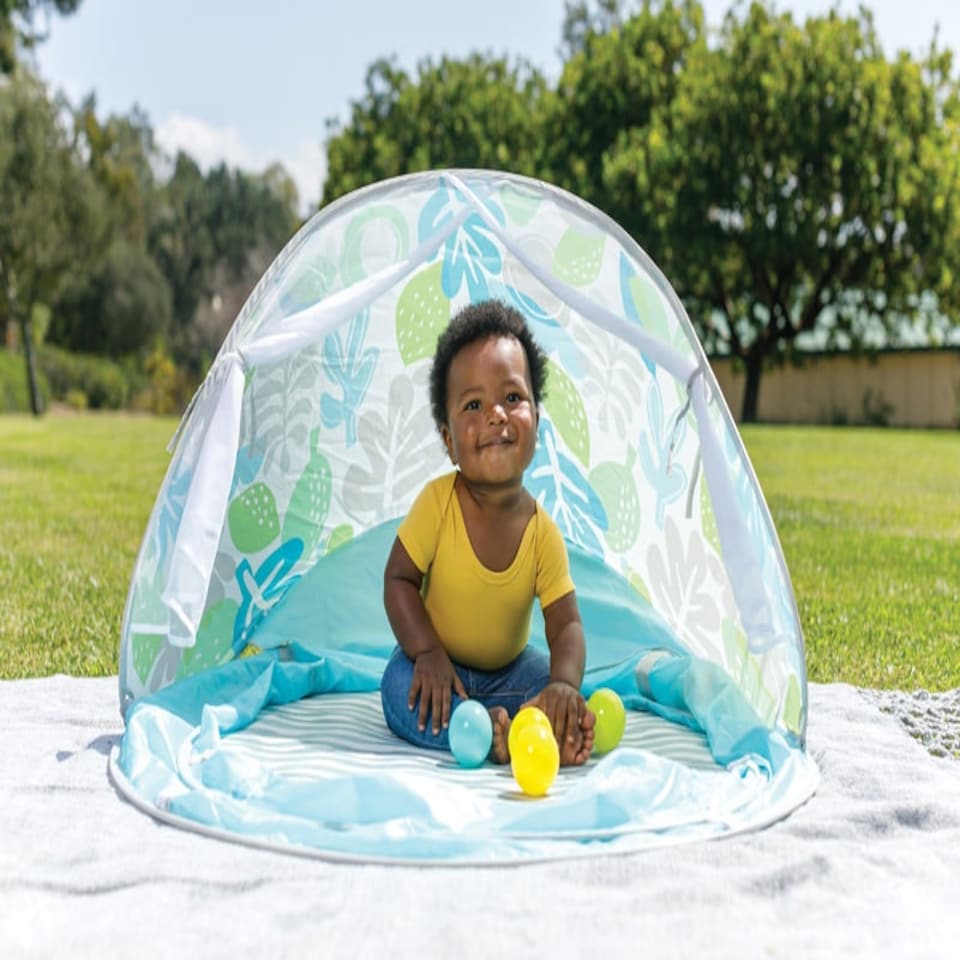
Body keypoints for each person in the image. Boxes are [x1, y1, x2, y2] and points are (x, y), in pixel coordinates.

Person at [380, 299, 594, 766]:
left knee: (553, 683)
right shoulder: (437, 504)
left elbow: (566, 625)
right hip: (437, 666)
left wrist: (563, 686)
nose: (497, 414)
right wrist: (427, 651)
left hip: (510, 675)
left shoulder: (542, 534)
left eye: (512, 398)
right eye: (474, 405)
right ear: (448, 440)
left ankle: (518, 727)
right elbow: (398, 581)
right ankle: (484, 730)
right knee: (398, 688)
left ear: (537, 419)